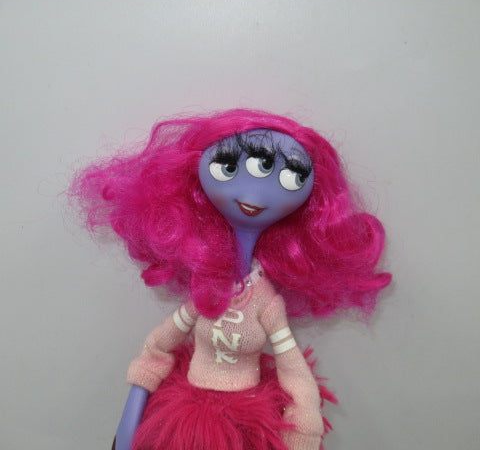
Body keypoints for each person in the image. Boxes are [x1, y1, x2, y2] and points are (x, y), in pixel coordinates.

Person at [71, 109, 390, 450]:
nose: (256, 194)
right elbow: (158, 346)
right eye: (229, 166)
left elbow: (292, 368)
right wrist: (135, 404)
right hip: (186, 417)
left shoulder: (266, 304)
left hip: (244, 422)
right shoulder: (206, 291)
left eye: (291, 177)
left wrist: (304, 426)